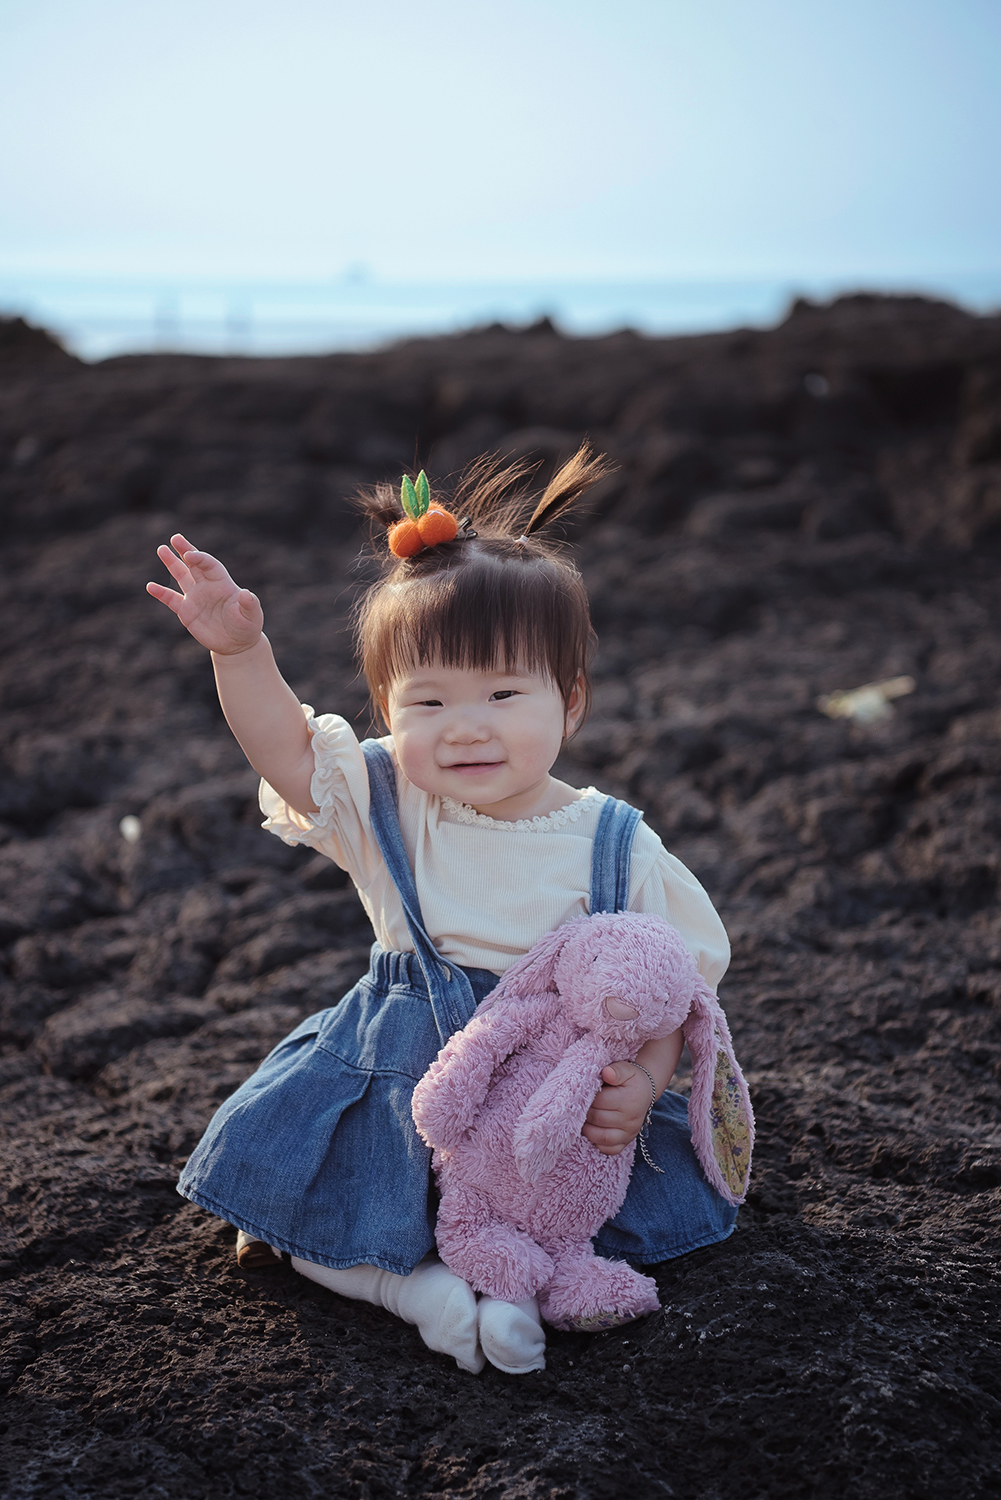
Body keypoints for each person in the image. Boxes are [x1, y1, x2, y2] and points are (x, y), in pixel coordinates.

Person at [146, 447, 736, 1377]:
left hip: (551, 1105)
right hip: (404, 1083)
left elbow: (670, 987)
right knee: (312, 1213)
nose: (466, 725)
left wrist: (646, 1077)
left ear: (569, 703)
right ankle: (413, 1291)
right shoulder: (386, 800)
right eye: (428, 701)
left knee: (578, 1216)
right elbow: (285, 754)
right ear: (385, 710)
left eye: (504, 694)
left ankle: (501, 1289)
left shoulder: (616, 842)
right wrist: (240, 651)